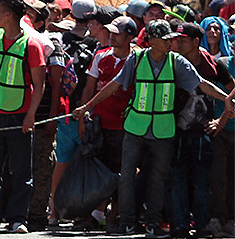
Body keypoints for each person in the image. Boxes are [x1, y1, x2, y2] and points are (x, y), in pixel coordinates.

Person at [78, 20, 235, 238]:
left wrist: (226, 99)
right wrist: (88, 106)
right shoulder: (137, 58)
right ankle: (127, 223)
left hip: (163, 130)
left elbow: (201, 84)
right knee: (127, 178)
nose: (172, 42)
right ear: (152, 41)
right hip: (135, 128)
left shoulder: (176, 61)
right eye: (167, 39)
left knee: (158, 178)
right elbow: (114, 84)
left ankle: (152, 223)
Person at [0, 0, 47, 234]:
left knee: (21, 171)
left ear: (8, 15)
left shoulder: (32, 44)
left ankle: (17, 219)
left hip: (18, 115)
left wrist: (30, 116)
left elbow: (39, 84)